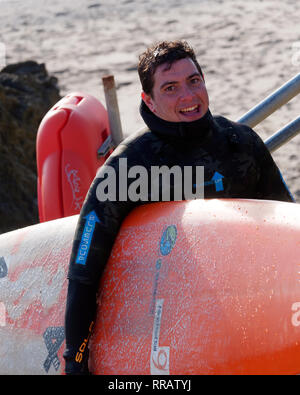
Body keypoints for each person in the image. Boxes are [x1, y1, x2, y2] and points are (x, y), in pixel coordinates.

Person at [63, 40, 294, 374]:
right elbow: (84, 267)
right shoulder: (130, 167)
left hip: (245, 314)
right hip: (167, 327)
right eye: (170, 88)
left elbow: (286, 228)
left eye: (194, 81)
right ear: (149, 101)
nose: (188, 96)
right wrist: (76, 359)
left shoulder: (241, 144)